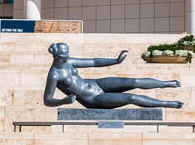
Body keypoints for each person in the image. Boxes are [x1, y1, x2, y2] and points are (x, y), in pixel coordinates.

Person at [43, 43, 183, 109]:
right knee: (131, 98)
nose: (67, 55)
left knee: (134, 81)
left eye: (67, 52)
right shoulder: (54, 75)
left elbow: (93, 62)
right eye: (64, 54)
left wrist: (115, 61)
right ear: (57, 56)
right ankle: (167, 103)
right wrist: (63, 101)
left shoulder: (69, 61)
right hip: (92, 99)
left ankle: (165, 83)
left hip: (96, 84)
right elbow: (47, 100)